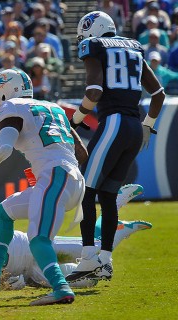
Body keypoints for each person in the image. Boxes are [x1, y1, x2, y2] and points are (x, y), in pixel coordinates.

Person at [0, 68, 86, 306]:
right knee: (5, 211)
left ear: (3, 91)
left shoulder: (13, 107)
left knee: (38, 239)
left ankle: (61, 288)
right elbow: (82, 152)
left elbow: (3, 149)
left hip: (56, 177)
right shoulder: (54, 108)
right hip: (68, 178)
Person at [66, 11, 165, 284]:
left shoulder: (94, 45)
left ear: (90, 30)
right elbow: (158, 94)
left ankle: (87, 261)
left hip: (114, 122)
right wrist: (148, 125)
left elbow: (94, 91)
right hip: (135, 126)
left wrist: (74, 119)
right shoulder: (133, 46)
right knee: (107, 196)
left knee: (86, 191)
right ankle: (105, 262)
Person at [0, 184, 150, 289]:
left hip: (30, 247)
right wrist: (14, 284)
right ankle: (116, 226)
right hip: (26, 273)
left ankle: (115, 206)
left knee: (94, 249)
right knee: (90, 279)